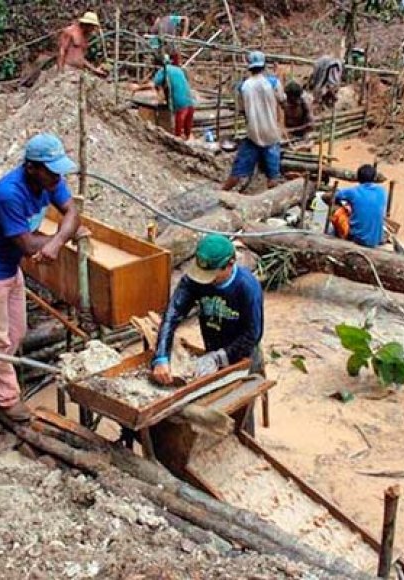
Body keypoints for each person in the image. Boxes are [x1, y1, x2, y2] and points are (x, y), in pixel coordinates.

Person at [0, 134, 82, 423]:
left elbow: (72, 211)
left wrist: (57, 240)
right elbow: (26, 246)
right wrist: (62, 236)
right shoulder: (9, 194)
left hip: (8, 269)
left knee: (15, 334)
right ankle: (8, 399)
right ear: (31, 168)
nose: (58, 177)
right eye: (52, 171)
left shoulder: (50, 180)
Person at [151, 235, 264, 429]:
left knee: (239, 407)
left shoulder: (247, 287)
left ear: (230, 264)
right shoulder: (194, 281)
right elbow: (172, 314)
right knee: (211, 407)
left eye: (212, 273)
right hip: (211, 345)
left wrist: (219, 358)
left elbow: (253, 333)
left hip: (242, 354)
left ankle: (243, 441)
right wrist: (161, 357)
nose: (207, 280)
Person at [223, 51, 286, 191]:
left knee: (237, 173)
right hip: (271, 135)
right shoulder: (273, 83)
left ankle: (221, 193)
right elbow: (282, 100)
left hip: (253, 135)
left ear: (249, 67)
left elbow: (242, 110)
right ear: (263, 66)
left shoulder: (243, 87)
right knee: (273, 176)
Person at [322, 164, 388, 248]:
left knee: (338, 211)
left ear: (358, 178)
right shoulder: (381, 192)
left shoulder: (353, 191)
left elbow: (326, 197)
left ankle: (339, 236)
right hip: (376, 239)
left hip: (357, 238)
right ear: (374, 178)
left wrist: (341, 204)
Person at [151, 55, 194, 140]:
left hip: (180, 103)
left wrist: (137, 87)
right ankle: (187, 140)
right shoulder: (178, 69)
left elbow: (152, 84)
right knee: (187, 131)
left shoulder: (164, 70)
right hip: (189, 101)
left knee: (177, 135)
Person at [57, 12, 107, 77]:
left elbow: (80, 57)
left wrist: (94, 69)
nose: (93, 29)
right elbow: (62, 51)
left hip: (78, 71)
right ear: (87, 24)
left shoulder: (86, 36)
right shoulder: (71, 31)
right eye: (92, 26)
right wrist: (60, 71)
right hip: (68, 69)